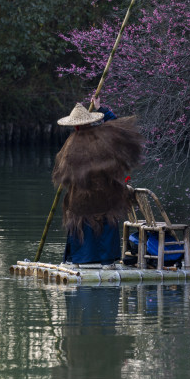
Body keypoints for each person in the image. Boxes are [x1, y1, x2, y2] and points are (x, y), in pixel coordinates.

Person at [53, 99, 142, 264]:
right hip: (104, 196)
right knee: (105, 219)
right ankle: (107, 260)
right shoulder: (103, 136)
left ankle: (81, 259)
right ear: (91, 120)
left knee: (81, 219)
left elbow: (64, 173)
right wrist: (102, 108)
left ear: (74, 125)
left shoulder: (70, 143)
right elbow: (119, 127)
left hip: (80, 199)